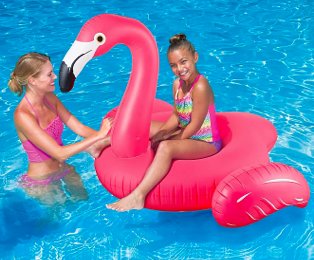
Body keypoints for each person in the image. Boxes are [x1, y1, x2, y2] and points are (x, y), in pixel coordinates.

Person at [106, 33, 222, 211]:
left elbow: (194, 126)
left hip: (205, 141)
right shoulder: (177, 85)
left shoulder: (201, 86)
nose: (180, 68)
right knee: (144, 127)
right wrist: (160, 133)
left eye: (184, 62)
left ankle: (138, 196)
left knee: (165, 148)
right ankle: (104, 142)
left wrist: (167, 140)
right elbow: (177, 115)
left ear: (195, 57)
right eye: (174, 65)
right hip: (185, 130)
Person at [8, 52, 112, 205]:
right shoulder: (23, 115)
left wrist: (110, 137)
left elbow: (79, 128)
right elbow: (59, 152)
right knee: (57, 219)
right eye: (49, 74)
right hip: (42, 182)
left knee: (84, 201)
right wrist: (98, 137)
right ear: (32, 80)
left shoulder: (50, 98)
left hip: (64, 168)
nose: (55, 77)